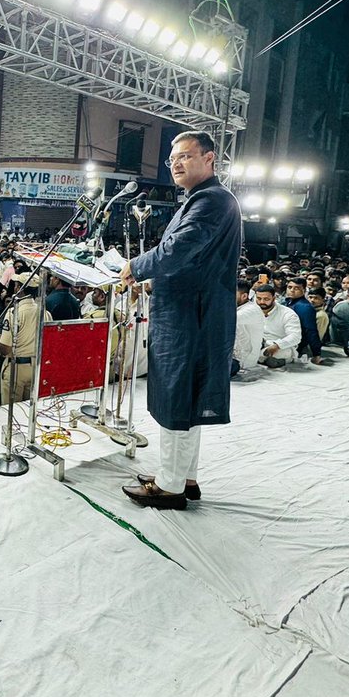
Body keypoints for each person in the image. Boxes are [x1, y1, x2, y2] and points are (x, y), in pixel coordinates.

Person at [119, 131, 241, 510]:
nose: (177, 164)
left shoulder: (211, 201)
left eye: (186, 156)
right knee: (187, 399)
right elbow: (191, 262)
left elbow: (178, 249)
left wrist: (135, 267)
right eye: (173, 159)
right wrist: (156, 284)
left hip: (190, 318)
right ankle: (184, 477)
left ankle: (170, 487)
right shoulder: (204, 200)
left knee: (176, 398)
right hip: (192, 310)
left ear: (210, 159)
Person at [0, 272, 52, 404]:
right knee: (28, 410)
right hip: (36, 367)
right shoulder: (46, 313)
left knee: (11, 413)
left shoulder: (14, 312)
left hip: (16, 368)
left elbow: (4, 348)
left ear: (19, 288)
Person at [256, 283, 302, 368]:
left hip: (279, 347)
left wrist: (277, 345)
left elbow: (295, 336)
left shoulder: (288, 314)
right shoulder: (253, 310)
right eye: (259, 298)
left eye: (266, 299)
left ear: (274, 298)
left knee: (279, 353)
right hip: (258, 344)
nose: (262, 302)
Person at [282, 277, 323, 364]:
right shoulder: (288, 302)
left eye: (296, 288)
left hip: (295, 344)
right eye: (290, 287)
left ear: (304, 290)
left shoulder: (305, 307)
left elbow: (310, 330)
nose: (292, 290)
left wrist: (316, 354)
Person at [233, 278, 265, 376]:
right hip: (231, 356)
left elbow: (227, 320)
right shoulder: (238, 306)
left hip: (243, 361)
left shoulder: (251, 310)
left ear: (244, 296)